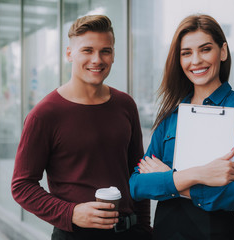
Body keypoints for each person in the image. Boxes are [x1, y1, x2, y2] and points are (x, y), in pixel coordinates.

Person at [11, 15, 152, 240]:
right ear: (69, 54)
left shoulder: (126, 104)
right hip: (76, 234)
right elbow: (22, 186)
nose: (97, 59)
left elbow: (138, 172)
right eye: (87, 50)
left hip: (131, 233)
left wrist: (145, 229)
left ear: (113, 55)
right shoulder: (44, 114)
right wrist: (71, 212)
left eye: (105, 50)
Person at [129, 14, 234, 239]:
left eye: (205, 49)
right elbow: (137, 185)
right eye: (186, 53)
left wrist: (173, 181)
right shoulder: (172, 112)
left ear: (223, 51)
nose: (196, 60)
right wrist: (199, 174)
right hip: (166, 232)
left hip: (216, 233)